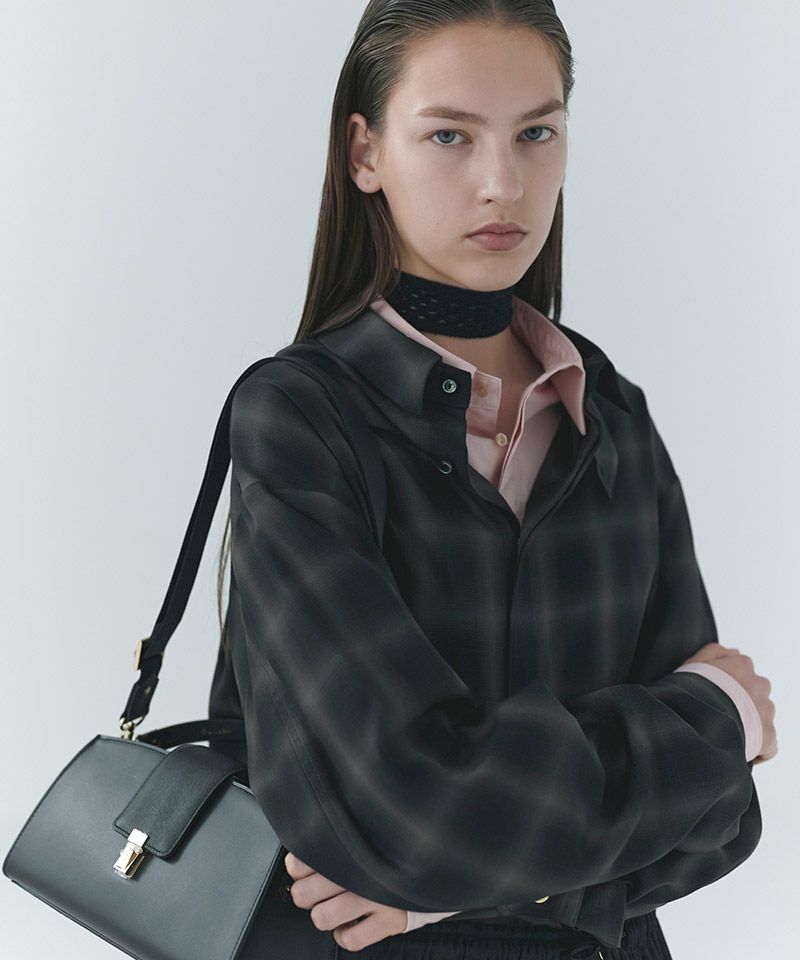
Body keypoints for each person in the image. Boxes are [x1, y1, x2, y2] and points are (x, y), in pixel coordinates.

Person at [208, 2, 777, 958]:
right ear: (365, 153)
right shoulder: (301, 419)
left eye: (536, 133)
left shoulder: (613, 415)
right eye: (449, 135)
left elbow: (723, 819)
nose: (503, 183)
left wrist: (445, 895)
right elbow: (414, 811)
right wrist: (714, 715)